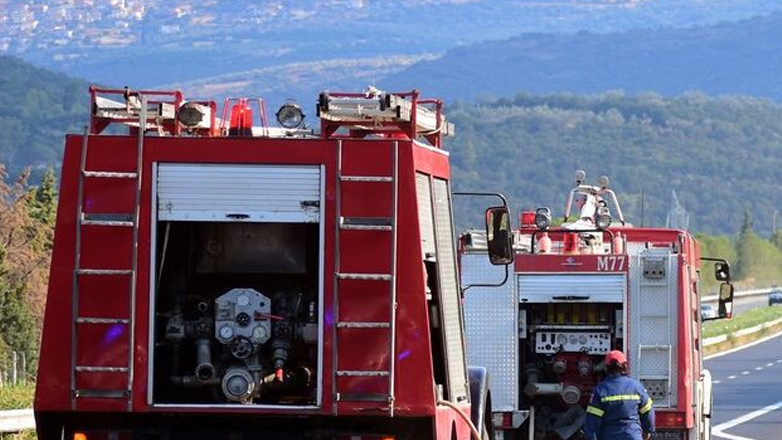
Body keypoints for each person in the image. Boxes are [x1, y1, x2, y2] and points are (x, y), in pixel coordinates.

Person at [583, 350, 655, 440]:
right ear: (625, 366)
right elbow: (648, 411)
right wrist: (648, 430)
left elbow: (592, 421)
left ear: (607, 367)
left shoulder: (600, 390)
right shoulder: (636, 387)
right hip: (632, 436)